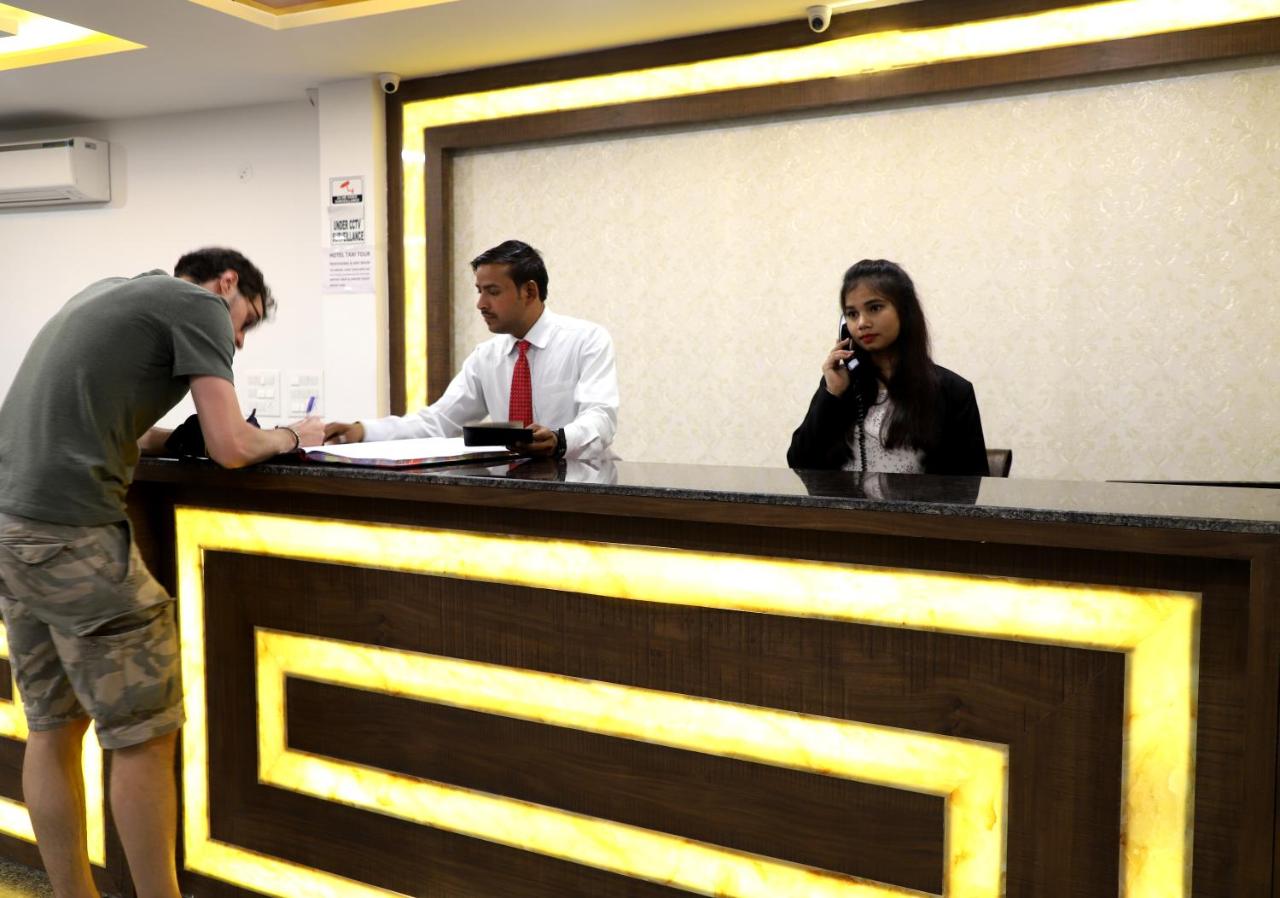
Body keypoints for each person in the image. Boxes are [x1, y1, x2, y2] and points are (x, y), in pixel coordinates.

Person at [0, 248, 323, 898]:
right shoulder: (199, 306)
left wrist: (169, 438)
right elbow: (232, 447)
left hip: (13, 528)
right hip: (75, 533)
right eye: (246, 320)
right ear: (228, 284)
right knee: (143, 733)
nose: (239, 339)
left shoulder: (109, 292)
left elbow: (101, 417)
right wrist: (295, 434)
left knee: (53, 727)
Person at [324, 240, 618, 458]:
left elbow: (601, 418)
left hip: (580, 484)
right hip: (511, 485)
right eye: (479, 291)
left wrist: (559, 439)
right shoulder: (486, 357)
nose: (481, 304)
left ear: (529, 291)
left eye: (493, 292)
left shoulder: (586, 340)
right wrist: (363, 431)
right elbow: (439, 422)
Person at [787, 258, 988, 475]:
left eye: (874, 308)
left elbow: (971, 483)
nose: (862, 323)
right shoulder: (840, 383)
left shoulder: (953, 391)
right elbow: (799, 463)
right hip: (842, 499)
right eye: (852, 314)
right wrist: (831, 395)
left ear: (905, 312)